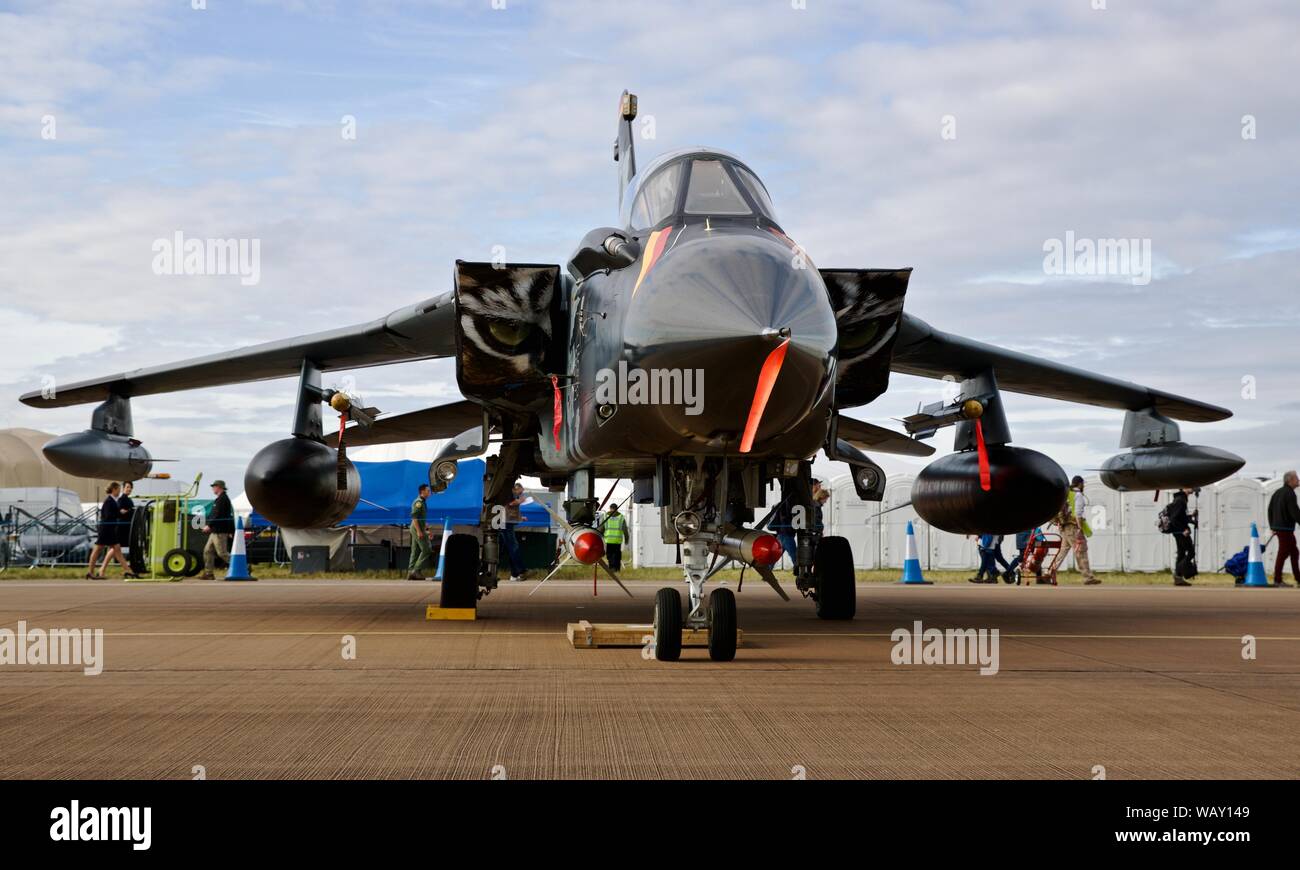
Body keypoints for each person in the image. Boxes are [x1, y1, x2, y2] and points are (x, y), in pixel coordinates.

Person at [1049, 476, 1097, 585]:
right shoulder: (1078, 495)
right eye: (1083, 483)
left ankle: (1049, 572)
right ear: (1080, 484)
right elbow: (1078, 514)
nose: (1083, 485)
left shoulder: (1066, 493)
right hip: (1073, 527)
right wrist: (1080, 528)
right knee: (1081, 551)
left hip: (1064, 527)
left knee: (1063, 551)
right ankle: (1088, 577)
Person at [87, 482, 132, 579]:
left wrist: (120, 513)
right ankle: (90, 572)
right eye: (119, 489)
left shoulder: (113, 501)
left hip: (109, 529)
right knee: (98, 549)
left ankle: (128, 571)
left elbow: (113, 514)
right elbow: (108, 516)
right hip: (106, 529)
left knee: (116, 549)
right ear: (114, 489)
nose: (120, 491)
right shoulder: (109, 501)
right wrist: (119, 512)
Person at [97, 480, 137, 577]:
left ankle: (126, 570)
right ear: (123, 488)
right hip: (120, 528)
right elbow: (118, 512)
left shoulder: (128, 499)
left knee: (116, 549)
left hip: (125, 528)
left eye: (131, 487)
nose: (129, 489)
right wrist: (125, 512)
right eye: (127, 487)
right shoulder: (121, 499)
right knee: (114, 549)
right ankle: (103, 569)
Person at [1268, 471, 1300, 587]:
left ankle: (1298, 578)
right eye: (1296, 478)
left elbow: (1270, 510)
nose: (1298, 480)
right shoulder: (1290, 493)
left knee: (1294, 553)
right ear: (1290, 480)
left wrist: (1272, 526)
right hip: (1285, 529)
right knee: (1282, 553)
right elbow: (1294, 512)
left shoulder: (1277, 492)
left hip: (1280, 528)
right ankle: (1277, 580)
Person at [200, 480, 235, 579]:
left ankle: (243, 566)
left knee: (222, 553)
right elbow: (216, 514)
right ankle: (208, 573)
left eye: (214, 486)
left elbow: (217, 515)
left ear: (219, 487)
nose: (212, 488)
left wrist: (209, 525)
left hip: (219, 531)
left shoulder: (222, 499)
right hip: (215, 531)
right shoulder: (220, 499)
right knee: (208, 551)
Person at [1166, 487, 1198, 586]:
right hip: (1181, 532)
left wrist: (1191, 516)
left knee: (1181, 553)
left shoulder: (1181, 499)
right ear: (1184, 488)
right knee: (1191, 552)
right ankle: (1178, 574)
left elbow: (1180, 517)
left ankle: (1178, 578)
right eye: (1190, 486)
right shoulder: (1180, 500)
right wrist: (1182, 530)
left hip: (1178, 531)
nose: (1193, 488)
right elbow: (1174, 518)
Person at [502, 481, 529, 582]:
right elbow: (510, 503)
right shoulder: (510, 493)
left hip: (507, 521)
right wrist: (521, 500)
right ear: (516, 488)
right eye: (520, 492)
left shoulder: (513, 494)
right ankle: (521, 570)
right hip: (506, 522)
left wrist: (521, 517)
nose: (521, 494)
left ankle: (515, 573)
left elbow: (511, 509)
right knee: (513, 546)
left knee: (510, 548)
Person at [407, 483, 434, 580]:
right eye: (428, 490)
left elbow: (421, 519)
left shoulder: (423, 502)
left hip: (418, 528)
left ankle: (411, 573)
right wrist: (419, 531)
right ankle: (416, 571)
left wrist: (427, 530)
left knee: (415, 551)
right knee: (427, 549)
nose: (429, 492)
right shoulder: (418, 502)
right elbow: (414, 518)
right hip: (416, 528)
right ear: (422, 491)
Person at [600, 502, 626, 572]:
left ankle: (611, 568)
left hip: (608, 540)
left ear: (610, 508)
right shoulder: (621, 517)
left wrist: (600, 537)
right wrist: (627, 538)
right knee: (617, 555)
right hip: (617, 540)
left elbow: (602, 528)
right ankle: (617, 568)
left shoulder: (605, 516)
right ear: (617, 509)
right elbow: (625, 529)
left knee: (610, 555)